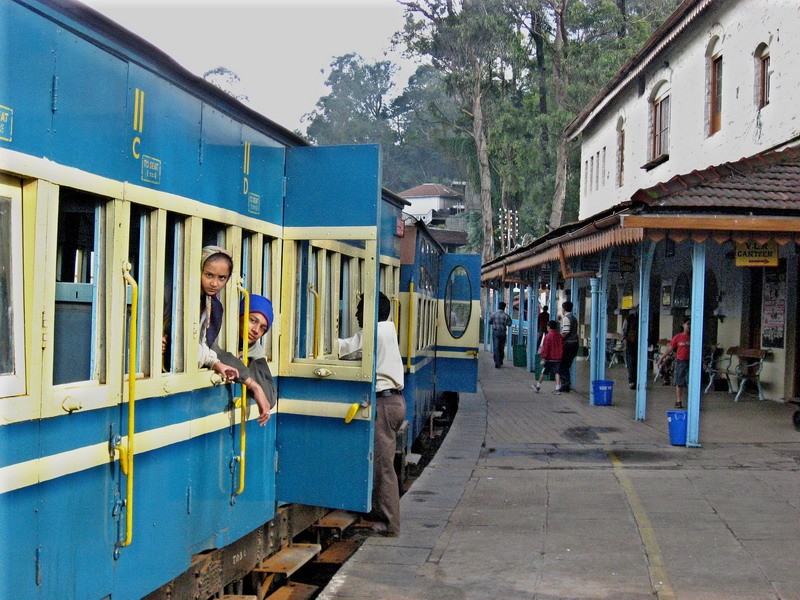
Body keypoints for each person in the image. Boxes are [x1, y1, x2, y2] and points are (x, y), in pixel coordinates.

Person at [337, 293, 405, 537]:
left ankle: (388, 524)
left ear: (371, 312)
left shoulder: (376, 331)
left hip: (385, 404)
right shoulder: (387, 330)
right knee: (379, 463)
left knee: (382, 467)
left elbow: (344, 350)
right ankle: (379, 516)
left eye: (360, 309)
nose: (356, 314)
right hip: (391, 401)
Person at [197, 245, 270, 426]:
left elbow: (270, 394)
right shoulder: (185, 298)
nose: (215, 283)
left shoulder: (214, 307)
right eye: (209, 275)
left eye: (222, 278)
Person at [214, 294, 277, 413]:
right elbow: (210, 350)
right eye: (252, 320)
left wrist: (247, 362)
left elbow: (270, 399)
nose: (256, 330)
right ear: (239, 316)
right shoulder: (217, 331)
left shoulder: (255, 350)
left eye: (263, 328)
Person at [658, 319, 691, 408]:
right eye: (688, 324)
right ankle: (678, 400)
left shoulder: (694, 337)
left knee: (690, 381)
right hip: (680, 361)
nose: (689, 326)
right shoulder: (678, 337)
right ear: (684, 325)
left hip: (691, 362)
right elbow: (670, 349)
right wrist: (661, 359)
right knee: (679, 381)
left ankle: (692, 400)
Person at [532, 320, 563, 394]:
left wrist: (544, 358)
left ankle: (538, 386)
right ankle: (557, 389)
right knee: (557, 373)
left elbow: (546, 348)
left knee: (543, 372)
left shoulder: (548, 336)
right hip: (557, 359)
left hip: (549, 359)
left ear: (548, 327)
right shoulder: (559, 336)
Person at [558, 300, 579, 392]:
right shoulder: (574, 318)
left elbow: (566, 331)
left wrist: (560, 339)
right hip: (575, 343)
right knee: (567, 364)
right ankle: (566, 384)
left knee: (563, 365)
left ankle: (565, 385)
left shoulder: (566, 318)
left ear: (564, 309)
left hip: (569, 344)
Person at [489, 301, 513, 368]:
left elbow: (489, 322)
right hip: (503, 332)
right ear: (504, 308)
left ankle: (497, 362)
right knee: (501, 347)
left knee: (496, 347)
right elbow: (510, 324)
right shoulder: (506, 315)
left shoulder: (493, 314)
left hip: (495, 332)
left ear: (498, 307)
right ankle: (500, 360)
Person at [622, 307, 638, 389]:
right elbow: (624, 331)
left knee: (633, 363)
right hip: (632, 344)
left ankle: (633, 381)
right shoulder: (630, 319)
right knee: (632, 363)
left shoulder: (629, 319)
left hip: (633, 344)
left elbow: (624, 331)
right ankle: (633, 381)